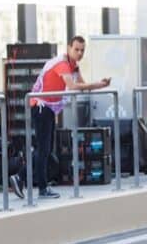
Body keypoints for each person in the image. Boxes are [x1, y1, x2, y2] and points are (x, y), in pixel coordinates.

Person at [30, 36, 110, 198]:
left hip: (48, 107)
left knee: (45, 149)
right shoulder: (62, 64)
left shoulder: (73, 66)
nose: (79, 53)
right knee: (43, 149)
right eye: (76, 49)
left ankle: (22, 178)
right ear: (68, 48)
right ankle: (41, 188)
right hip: (40, 106)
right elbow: (74, 86)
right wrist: (99, 84)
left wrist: (98, 84)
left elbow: (83, 85)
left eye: (82, 50)